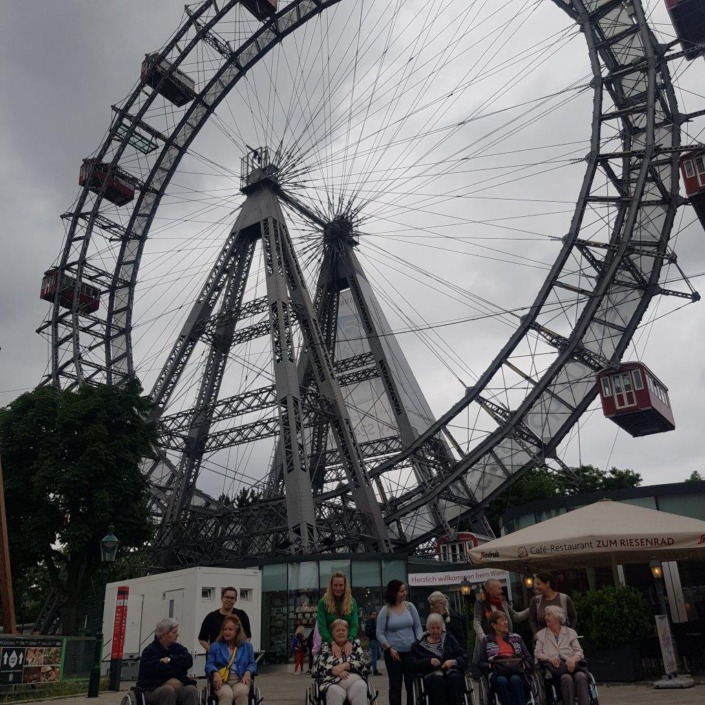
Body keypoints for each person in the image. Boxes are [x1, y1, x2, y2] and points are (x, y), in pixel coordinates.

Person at [376, 580, 423, 705]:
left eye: (405, 590)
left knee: (411, 685)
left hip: (411, 653)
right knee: (395, 687)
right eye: (402, 591)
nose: (405, 593)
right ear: (394, 593)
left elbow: (418, 627)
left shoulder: (410, 607)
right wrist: (389, 648)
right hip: (393, 655)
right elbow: (379, 633)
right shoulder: (385, 611)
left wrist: (418, 641)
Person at [137, 618, 199, 705]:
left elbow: (188, 661)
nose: (177, 635)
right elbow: (157, 670)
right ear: (164, 635)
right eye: (174, 632)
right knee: (168, 690)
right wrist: (178, 667)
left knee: (191, 690)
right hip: (153, 689)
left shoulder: (178, 648)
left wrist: (170, 659)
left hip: (178, 688)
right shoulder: (150, 651)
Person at [535, 606, 589, 705]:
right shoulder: (541, 634)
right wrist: (549, 659)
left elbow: (579, 651)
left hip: (573, 665)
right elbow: (538, 653)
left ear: (558, 618)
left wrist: (572, 659)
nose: (546, 617)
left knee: (581, 676)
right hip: (556, 669)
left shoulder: (570, 632)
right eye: (546, 615)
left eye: (549, 615)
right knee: (566, 678)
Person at [411, 612, 467, 705]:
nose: (436, 631)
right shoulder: (419, 645)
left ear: (442, 628)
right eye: (433, 628)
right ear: (428, 628)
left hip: (451, 671)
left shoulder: (449, 638)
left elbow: (464, 656)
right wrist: (428, 661)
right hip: (432, 674)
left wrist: (454, 662)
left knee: (454, 679)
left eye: (438, 628)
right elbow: (413, 663)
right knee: (438, 682)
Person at [477, 611, 532, 705]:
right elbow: (481, 662)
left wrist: (524, 664)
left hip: (517, 671)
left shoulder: (516, 638)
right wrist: (490, 665)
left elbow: (528, 658)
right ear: (494, 626)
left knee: (515, 679)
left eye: (506, 619)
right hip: (497, 672)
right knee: (501, 681)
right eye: (502, 620)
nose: (506, 622)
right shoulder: (487, 640)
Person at [313, 619, 369, 705]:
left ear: (347, 632)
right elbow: (318, 667)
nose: (341, 632)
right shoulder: (325, 647)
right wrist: (333, 670)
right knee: (334, 691)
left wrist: (345, 665)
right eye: (337, 630)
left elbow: (362, 662)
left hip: (355, 681)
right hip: (333, 683)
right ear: (332, 634)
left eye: (343, 630)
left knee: (361, 686)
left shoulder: (354, 645)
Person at [205, 615, 257, 705]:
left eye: (230, 629)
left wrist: (248, 672)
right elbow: (209, 664)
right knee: (227, 694)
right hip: (222, 680)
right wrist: (215, 673)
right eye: (225, 629)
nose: (226, 632)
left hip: (240, 679)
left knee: (241, 692)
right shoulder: (215, 646)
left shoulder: (247, 646)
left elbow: (252, 663)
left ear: (237, 631)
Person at [473, 578, 527, 660]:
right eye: (499, 588)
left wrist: (531, 610)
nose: (502, 591)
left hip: (505, 642)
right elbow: (477, 622)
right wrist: (484, 639)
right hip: (488, 646)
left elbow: (515, 617)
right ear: (491, 589)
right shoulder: (480, 603)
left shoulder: (503, 603)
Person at [317, 572, 359, 658]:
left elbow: (354, 624)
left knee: (355, 667)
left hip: (348, 643)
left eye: (341, 585)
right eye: (335, 585)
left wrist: (350, 640)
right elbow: (321, 626)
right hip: (329, 644)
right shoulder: (322, 603)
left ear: (345, 586)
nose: (338, 588)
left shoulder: (352, 602)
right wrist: (332, 643)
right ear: (331, 586)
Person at [199, 587, 252, 652]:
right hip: (216, 660)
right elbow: (202, 639)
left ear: (235, 600)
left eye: (232, 598)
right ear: (222, 598)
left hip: (237, 659)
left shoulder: (242, 615)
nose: (229, 600)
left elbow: (248, 637)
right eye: (227, 597)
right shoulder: (211, 617)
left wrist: (240, 652)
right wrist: (213, 652)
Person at [364, 610, 382, 675]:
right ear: (370, 615)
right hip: (372, 641)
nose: (375, 616)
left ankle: (369, 664)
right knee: (374, 656)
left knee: (379, 655)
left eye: (375, 614)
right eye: (373, 614)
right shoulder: (369, 622)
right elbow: (368, 632)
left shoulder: (374, 622)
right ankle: (375, 670)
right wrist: (375, 630)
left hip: (376, 640)